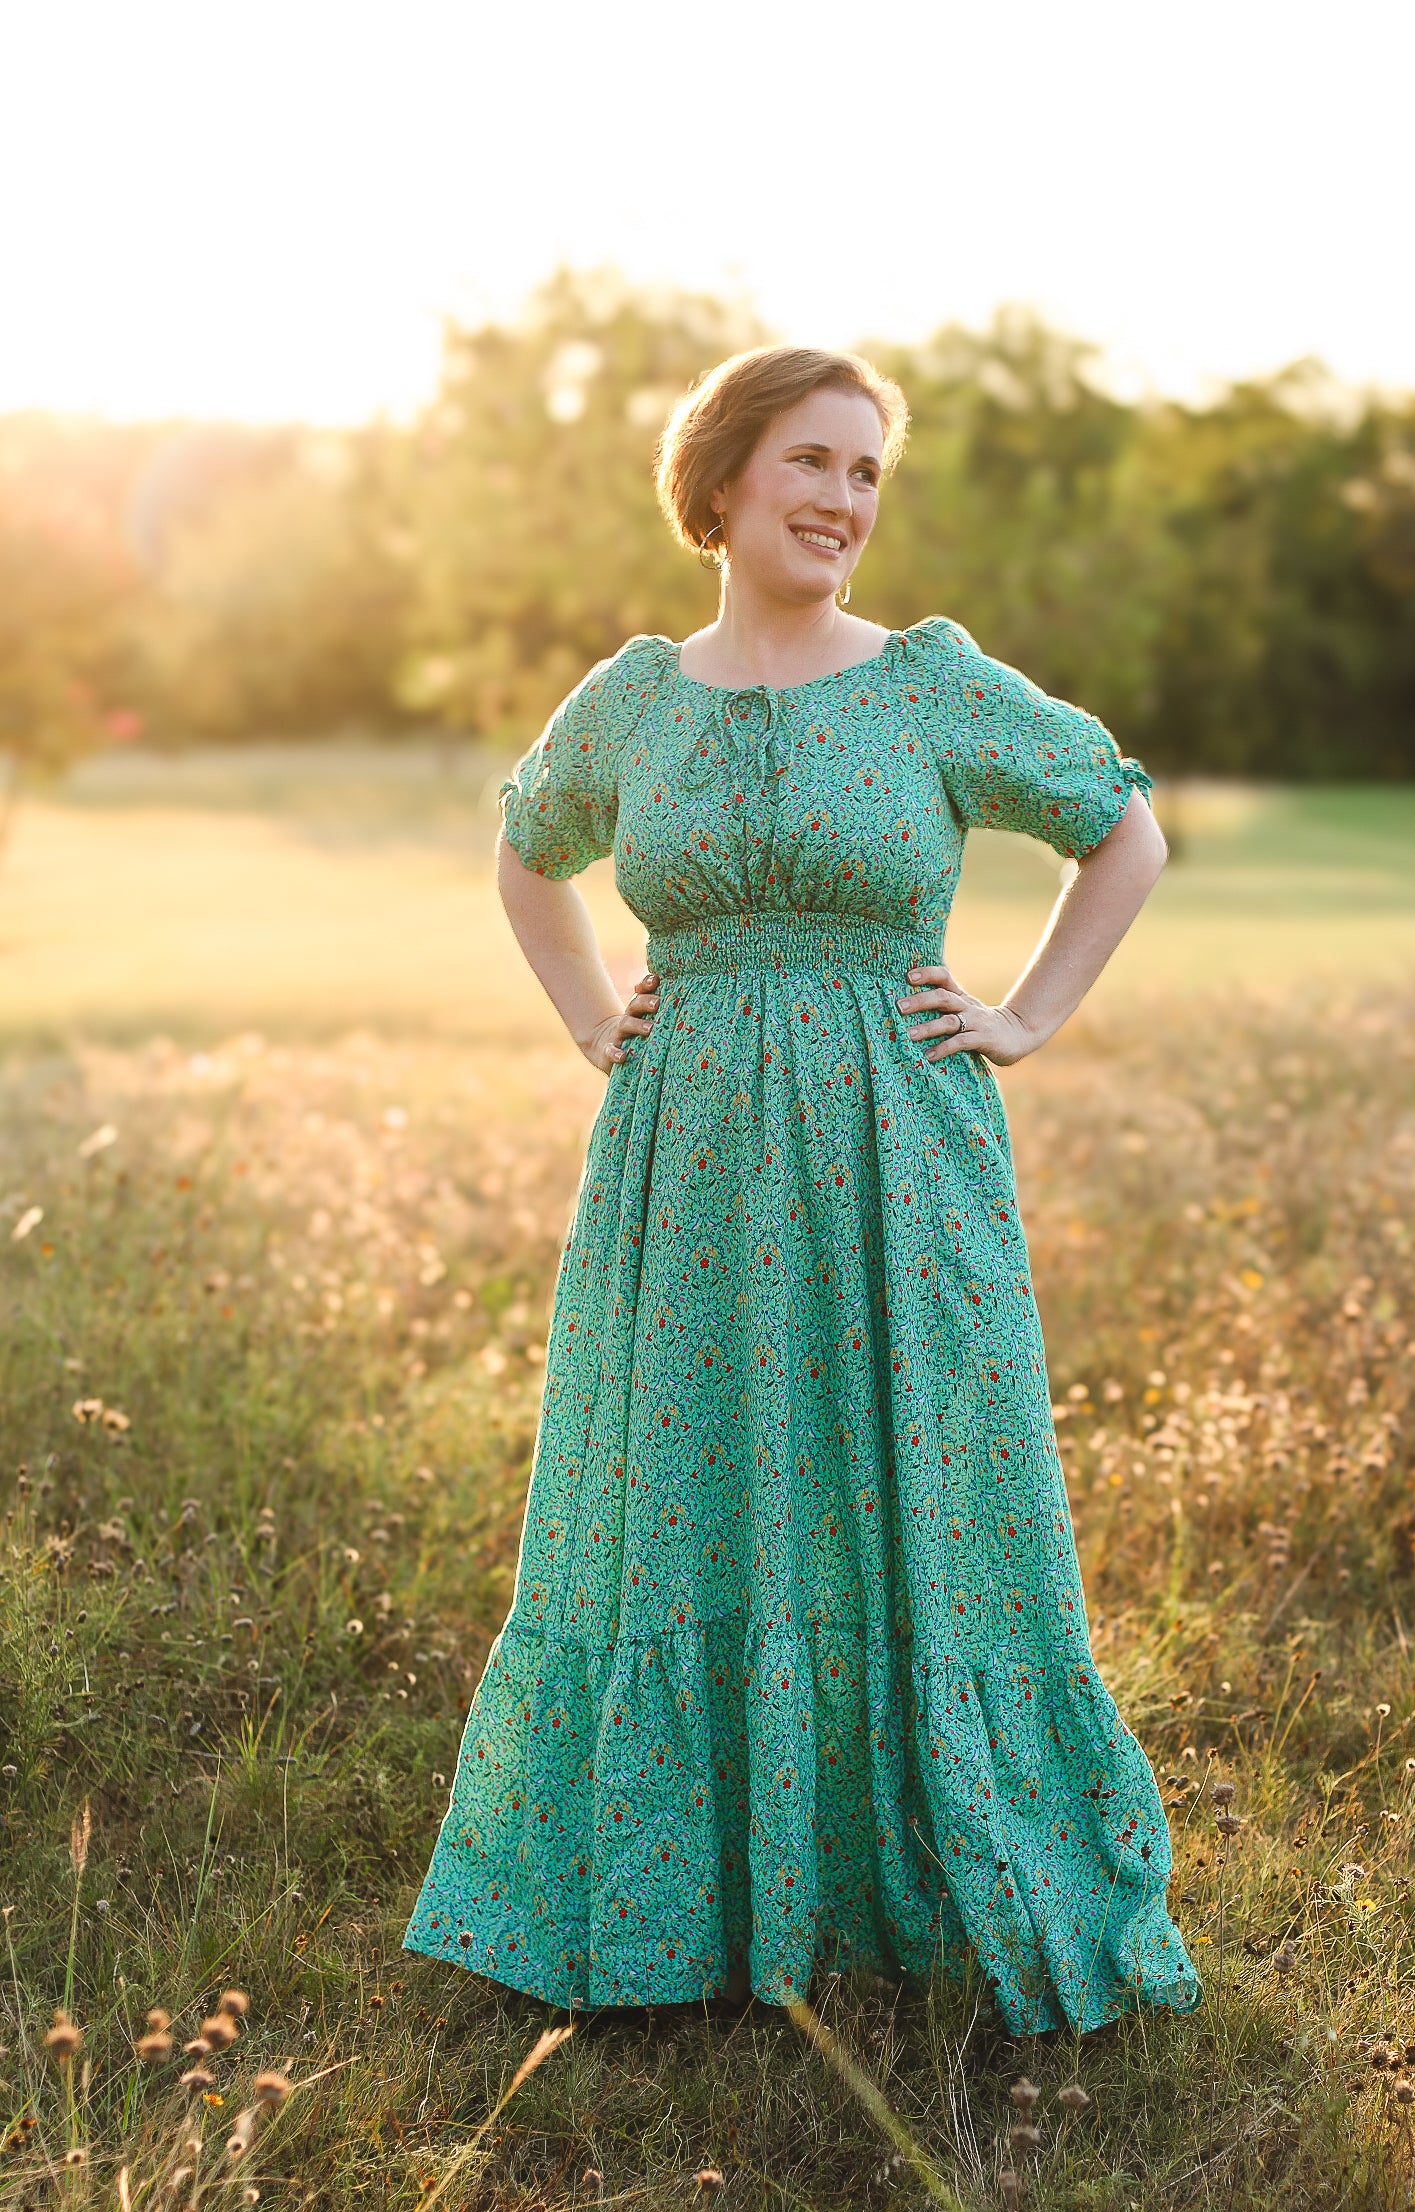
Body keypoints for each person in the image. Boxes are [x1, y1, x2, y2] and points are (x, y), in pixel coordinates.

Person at [403, 345, 1202, 2035]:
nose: (843, 500)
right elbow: (524, 851)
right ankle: (675, 1898)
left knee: (911, 1477)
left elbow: (1117, 826)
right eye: (812, 463)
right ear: (723, 477)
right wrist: (583, 1010)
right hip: (681, 1161)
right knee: (691, 1485)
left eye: (865, 474)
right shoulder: (629, 698)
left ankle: (933, 1873)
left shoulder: (925, 684)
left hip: (898, 1148)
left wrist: (1028, 1011)